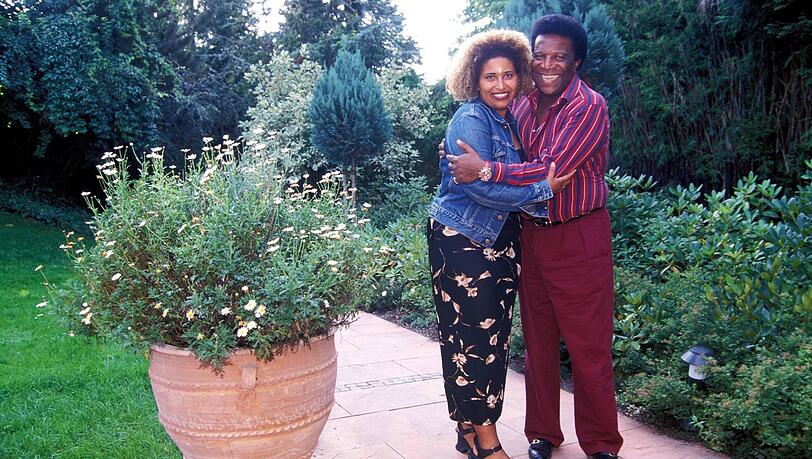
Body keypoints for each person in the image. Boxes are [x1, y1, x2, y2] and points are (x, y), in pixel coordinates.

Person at [445, 15, 623, 459]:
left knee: (588, 347)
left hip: (579, 235)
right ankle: (543, 434)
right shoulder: (522, 103)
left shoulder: (589, 105)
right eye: (539, 55)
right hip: (531, 235)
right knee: (539, 343)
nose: (547, 65)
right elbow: (487, 149)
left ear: (575, 61)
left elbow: (551, 168)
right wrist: (470, 161)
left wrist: (485, 169)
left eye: (558, 57)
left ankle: (601, 444)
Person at [428, 29, 574, 459]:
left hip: (497, 243)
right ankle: (488, 442)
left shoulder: (509, 120)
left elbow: (505, 173)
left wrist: (529, 180)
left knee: (472, 340)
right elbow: (481, 191)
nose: (501, 85)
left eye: (509, 75)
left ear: (520, 77)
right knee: (477, 341)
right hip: (464, 242)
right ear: (474, 80)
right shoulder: (472, 119)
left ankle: (468, 432)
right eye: (491, 77)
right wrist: (541, 190)